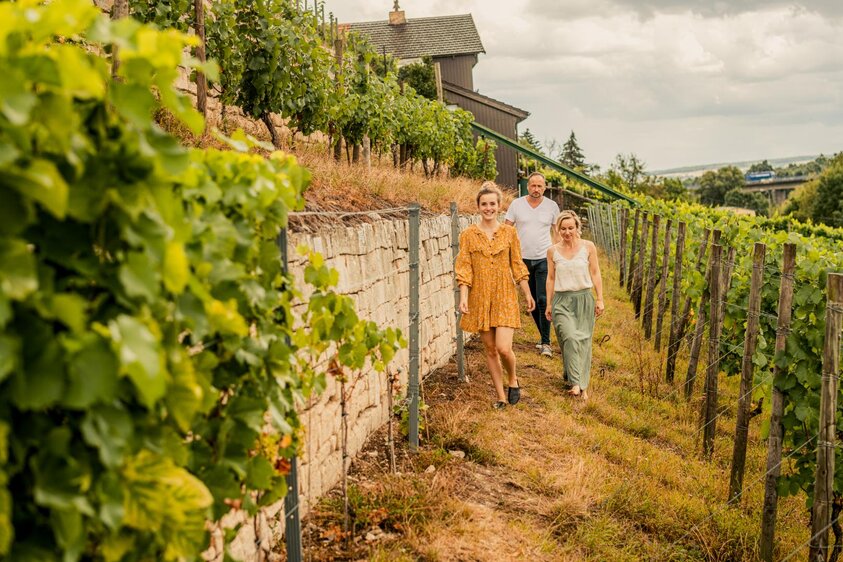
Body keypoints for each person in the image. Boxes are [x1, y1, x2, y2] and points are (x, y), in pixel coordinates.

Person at [456, 182, 535, 409]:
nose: (488, 208)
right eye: (484, 204)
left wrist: (527, 294)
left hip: (504, 296)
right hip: (479, 297)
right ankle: (500, 396)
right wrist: (463, 297)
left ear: (499, 206)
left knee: (503, 348)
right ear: (478, 207)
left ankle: (513, 378)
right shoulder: (468, 235)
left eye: (492, 204)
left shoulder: (509, 233)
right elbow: (464, 269)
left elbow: (517, 265)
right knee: (490, 350)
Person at [544, 210, 604, 400]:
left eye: (570, 228)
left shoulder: (588, 247)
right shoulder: (552, 251)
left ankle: (579, 382)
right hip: (562, 300)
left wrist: (600, 298)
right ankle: (576, 383)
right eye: (563, 229)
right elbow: (551, 278)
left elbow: (595, 273)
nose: (567, 232)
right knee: (569, 338)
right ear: (558, 229)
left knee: (583, 342)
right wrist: (549, 303)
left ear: (577, 227)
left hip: (584, 299)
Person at [505, 172, 560, 358]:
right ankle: (542, 336)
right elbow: (506, 229)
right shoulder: (516, 204)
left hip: (544, 258)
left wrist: (560, 256)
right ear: (527, 186)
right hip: (522, 260)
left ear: (545, 188)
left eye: (540, 186)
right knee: (532, 301)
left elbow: (558, 231)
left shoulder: (552, 206)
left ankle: (546, 343)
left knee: (544, 299)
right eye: (533, 185)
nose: (536, 189)